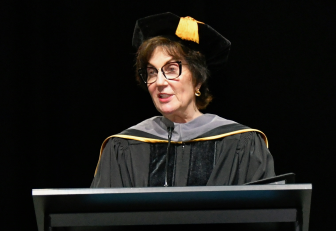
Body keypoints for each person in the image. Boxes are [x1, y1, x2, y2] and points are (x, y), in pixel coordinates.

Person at [91, 12, 275, 188]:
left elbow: (263, 216)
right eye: (152, 72)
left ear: (198, 80)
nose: (160, 82)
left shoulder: (241, 143)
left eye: (171, 69)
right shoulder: (123, 148)